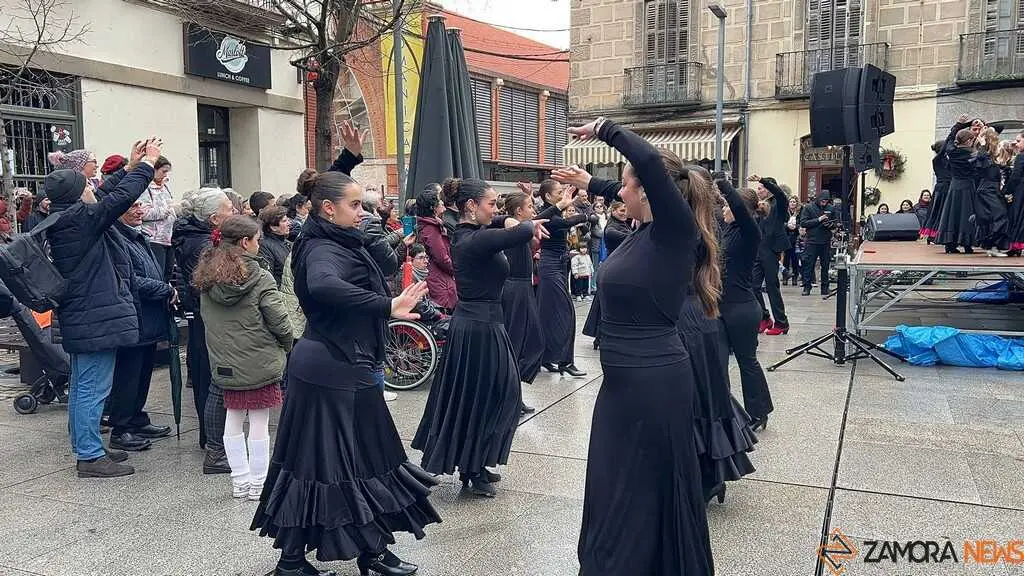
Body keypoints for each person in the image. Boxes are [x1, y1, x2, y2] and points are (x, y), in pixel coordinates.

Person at [251, 169, 439, 576]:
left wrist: (349, 160)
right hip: (332, 368)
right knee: (336, 464)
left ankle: (351, 553)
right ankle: (332, 557)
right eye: (354, 205)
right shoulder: (322, 249)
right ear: (328, 210)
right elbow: (322, 286)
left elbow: (323, 185)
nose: (362, 212)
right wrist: (385, 306)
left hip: (337, 365)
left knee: (346, 462)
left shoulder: (329, 236)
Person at [564, 118, 713, 575]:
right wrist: (598, 184)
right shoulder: (644, 234)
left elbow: (646, 162)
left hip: (654, 382)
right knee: (615, 482)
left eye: (626, 188)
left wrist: (605, 129)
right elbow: (630, 184)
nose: (619, 195)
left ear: (648, 189)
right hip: (624, 384)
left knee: (644, 485)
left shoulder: (674, 232)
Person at [412, 178, 547, 498]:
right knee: (490, 396)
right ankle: (472, 469)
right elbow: (522, 232)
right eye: (491, 204)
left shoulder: (473, 233)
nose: (496, 209)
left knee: (498, 394)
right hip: (476, 328)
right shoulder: (470, 240)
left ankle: (477, 463)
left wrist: (507, 217)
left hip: (486, 324)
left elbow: (508, 226)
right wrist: (520, 220)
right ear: (471, 207)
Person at [47, 138, 161, 478]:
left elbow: (103, 194)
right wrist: (146, 166)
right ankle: (90, 456)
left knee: (85, 385)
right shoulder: (80, 221)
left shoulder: (66, 214)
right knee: (92, 388)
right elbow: (118, 200)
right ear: (79, 192)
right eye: (87, 183)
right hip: (94, 316)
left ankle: (89, 444)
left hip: (86, 315)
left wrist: (128, 166)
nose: (93, 185)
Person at [194, 215, 292, 501]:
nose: (259, 246)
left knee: (233, 419)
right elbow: (280, 321)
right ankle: (259, 484)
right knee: (259, 422)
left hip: (225, 360)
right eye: (257, 240)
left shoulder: (206, 275)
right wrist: (285, 345)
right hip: (259, 358)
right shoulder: (260, 277)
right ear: (244, 242)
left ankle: (239, 482)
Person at [172, 187, 235, 473]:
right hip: (207, 321)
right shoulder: (203, 245)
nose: (232, 211)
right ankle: (213, 441)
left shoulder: (203, 239)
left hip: (205, 320)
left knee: (208, 379)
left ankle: (214, 439)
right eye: (227, 208)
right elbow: (211, 287)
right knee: (211, 383)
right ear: (213, 218)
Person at [108, 198, 176, 453]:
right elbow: (129, 280)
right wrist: (163, 289)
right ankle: (121, 427)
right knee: (128, 375)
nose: (139, 211)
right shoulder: (117, 238)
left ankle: (136, 419)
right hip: (133, 318)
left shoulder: (136, 236)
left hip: (148, 318)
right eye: (133, 206)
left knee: (143, 372)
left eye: (140, 206)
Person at [718, 179, 774, 433]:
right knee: (717, 361)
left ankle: (758, 412)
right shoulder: (727, 229)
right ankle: (722, 410)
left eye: (727, 206)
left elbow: (740, 209)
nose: (724, 210)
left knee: (746, 361)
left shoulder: (751, 231)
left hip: (741, 308)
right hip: (721, 306)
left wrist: (723, 183)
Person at [501, 190, 562, 415]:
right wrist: (558, 207)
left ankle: (514, 394)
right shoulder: (513, 228)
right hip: (515, 290)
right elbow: (532, 223)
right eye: (529, 206)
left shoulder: (522, 228)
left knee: (531, 341)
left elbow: (535, 223)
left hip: (524, 288)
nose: (533, 211)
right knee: (516, 344)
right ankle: (510, 398)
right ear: (518, 211)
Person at [536, 180, 590, 377]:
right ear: (548, 197)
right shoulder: (548, 214)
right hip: (550, 267)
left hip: (559, 265)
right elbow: (564, 223)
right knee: (566, 313)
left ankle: (547, 358)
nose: (563, 195)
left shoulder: (554, 212)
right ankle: (565, 361)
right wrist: (585, 215)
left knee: (548, 314)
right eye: (559, 192)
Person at [749, 175, 790, 336]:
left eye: (761, 188)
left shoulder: (778, 204)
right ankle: (765, 317)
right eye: (758, 188)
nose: (758, 191)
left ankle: (782, 322)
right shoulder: (760, 206)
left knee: (772, 286)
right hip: (759, 249)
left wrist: (763, 180)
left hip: (771, 249)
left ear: (769, 189)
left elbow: (780, 194)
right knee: (753, 286)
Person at [936, 115, 979, 254]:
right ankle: (967, 244)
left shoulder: (951, 151)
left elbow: (949, 139)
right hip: (967, 187)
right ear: (968, 140)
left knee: (952, 214)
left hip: (954, 186)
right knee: (966, 214)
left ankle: (950, 244)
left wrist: (958, 124)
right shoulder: (972, 154)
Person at [416, 185, 458, 312]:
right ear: (433, 208)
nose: (442, 202)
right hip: (439, 281)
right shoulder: (431, 228)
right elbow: (441, 257)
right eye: (439, 200)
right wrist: (455, 269)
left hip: (439, 278)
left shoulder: (433, 225)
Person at [972, 127, 1010, 257]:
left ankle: (992, 246)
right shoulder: (982, 156)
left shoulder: (989, 157)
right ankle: (992, 245)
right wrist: (982, 144)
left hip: (991, 189)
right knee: (999, 216)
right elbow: (983, 163)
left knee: (995, 217)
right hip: (987, 189)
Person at [138, 156, 175, 279]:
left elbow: (170, 206)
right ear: (153, 170)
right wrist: (166, 211)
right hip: (153, 239)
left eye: (167, 172)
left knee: (167, 274)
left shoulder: (165, 187)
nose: (165, 175)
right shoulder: (144, 187)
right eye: (163, 171)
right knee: (158, 275)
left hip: (167, 238)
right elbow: (143, 213)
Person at [798, 190, 834, 296]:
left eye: (826, 201)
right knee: (809, 265)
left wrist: (830, 225)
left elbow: (835, 222)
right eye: (823, 201)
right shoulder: (808, 208)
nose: (824, 203)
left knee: (825, 265)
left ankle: (825, 288)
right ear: (818, 199)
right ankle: (806, 287)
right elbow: (803, 222)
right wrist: (818, 220)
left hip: (825, 241)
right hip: (812, 241)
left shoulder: (830, 208)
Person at [257, 206, 293, 287]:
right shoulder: (264, 247)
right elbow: (268, 278)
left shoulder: (287, 243)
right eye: (284, 221)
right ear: (273, 227)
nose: (289, 223)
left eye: (287, 220)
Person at [1005, 131, 1024, 254]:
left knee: (1018, 216)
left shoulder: (1021, 157)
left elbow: (1016, 176)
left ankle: (1015, 245)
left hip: (1021, 190)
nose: (1015, 143)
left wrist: (1007, 191)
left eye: (1018, 141)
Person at [783, 196, 801, 286]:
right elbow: (781, 222)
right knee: (786, 258)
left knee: (795, 259)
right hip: (786, 237)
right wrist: (787, 225)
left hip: (796, 237)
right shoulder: (785, 212)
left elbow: (802, 222)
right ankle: (785, 276)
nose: (792, 203)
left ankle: (795, 276)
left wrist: (796, 226)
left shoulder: (799, 212)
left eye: (794, 202)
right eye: (791, 202)